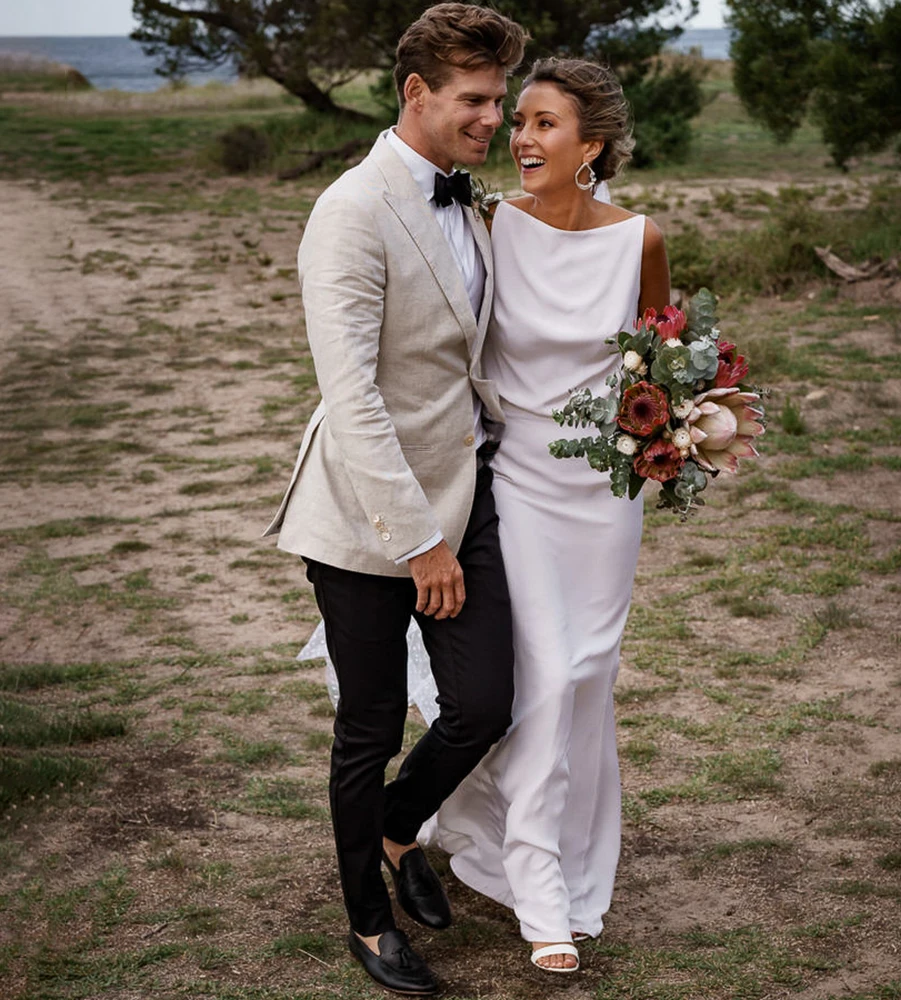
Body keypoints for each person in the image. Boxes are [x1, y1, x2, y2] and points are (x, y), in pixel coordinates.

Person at [263, 5, 527, 995]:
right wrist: (419, 542)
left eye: (498, 98)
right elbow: (354, 398)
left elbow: (472, 357)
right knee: (368, 725)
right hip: (369, 515)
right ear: (415, 93)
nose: (492, 118)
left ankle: (394, 821)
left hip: (472, 489)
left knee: (484, 702)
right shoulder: (349, 209)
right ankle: (369, 926)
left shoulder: (468, 202)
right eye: (473, 99)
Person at [427, 57, 671, 973]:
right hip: (519, 482)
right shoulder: (494, 227)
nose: (519, 138)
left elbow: (662, 357)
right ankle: (542, 898)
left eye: (542, 124)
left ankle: (564, 853)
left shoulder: (640, 239)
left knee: (589, 677)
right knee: (546, 674)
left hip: (606, 496)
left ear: (592, 145)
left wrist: (676, 436)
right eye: (517, 120)